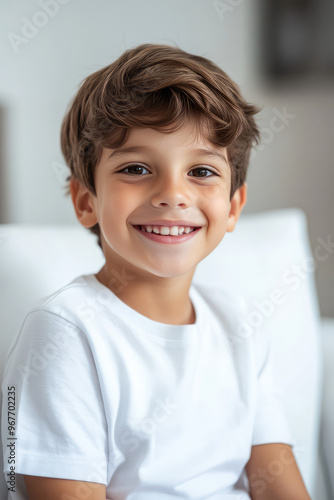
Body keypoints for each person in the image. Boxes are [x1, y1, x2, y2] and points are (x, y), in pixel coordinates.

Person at [1, 43, 311, 500]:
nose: (172, 194)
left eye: (202, 171)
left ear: (233, 207)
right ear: (86, 201)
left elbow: (280, 483)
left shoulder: (241, 324)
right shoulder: (66, 331)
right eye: (137, 167)